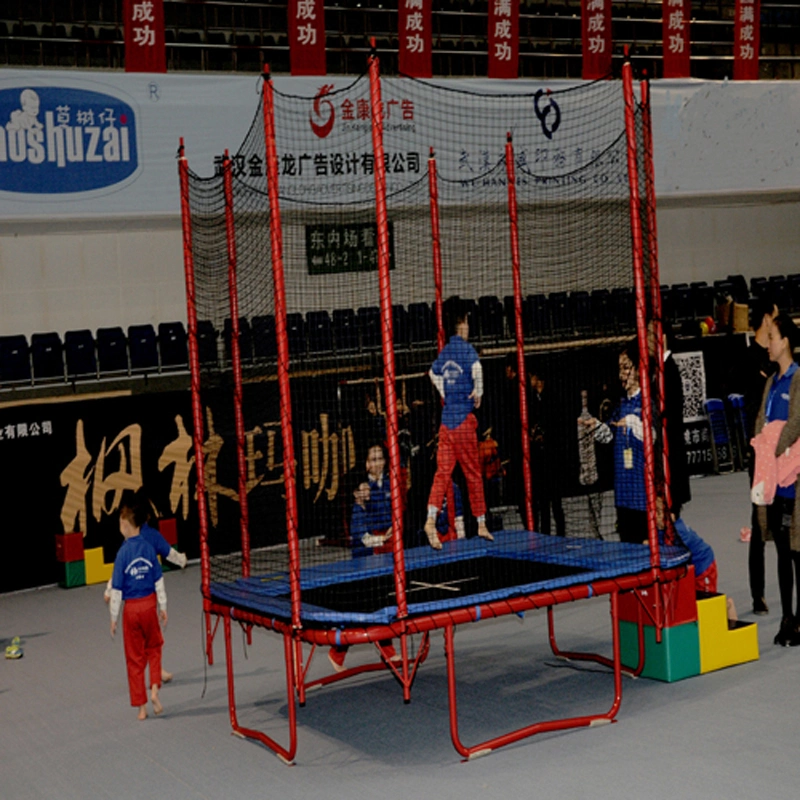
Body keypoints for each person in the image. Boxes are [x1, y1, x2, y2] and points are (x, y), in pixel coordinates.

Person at [424, 304, 493, 550]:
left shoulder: (445, 351)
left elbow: (433, 373)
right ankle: (482, 521)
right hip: (463, 421)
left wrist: (445, 392)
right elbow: (478, 369)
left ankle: (430, 518)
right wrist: (479, 393)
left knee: (442, 473)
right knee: (472, 473)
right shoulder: (466, 349)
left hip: (446, 422)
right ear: (462, 322)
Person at [329, 444, 399, 672]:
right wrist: (383, 538)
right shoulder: (359, 505)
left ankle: (385, 649)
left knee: (381, 603)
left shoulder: (389, 483)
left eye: (381, 458)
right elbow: (364, 538)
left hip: (384, 554)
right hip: (366, 559)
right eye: (373, 459)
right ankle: (336, 652)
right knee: (363, 607)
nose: (378, 463)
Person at [753, 313, 800, 646]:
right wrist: (761, 447)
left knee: (798, 553)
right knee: (783, 552)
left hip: (794, 479)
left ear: (785, 341)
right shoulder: (771, 381)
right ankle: (788, 618)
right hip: (774, 481)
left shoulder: (799, 378)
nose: (767, 343)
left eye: (771, 337)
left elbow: (797, 422)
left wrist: (777, 448)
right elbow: (761, 419)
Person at [104, 494, 186, 683]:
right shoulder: (154, 536)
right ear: (148, 516)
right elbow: (170, 554)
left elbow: (119, 572)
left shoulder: (128, 541)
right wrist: (182, 560)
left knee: (140, 638)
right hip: (149, 596)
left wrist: (109, 590)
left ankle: (155, 673)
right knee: (151, 637)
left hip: (132, 600)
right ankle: (157, 672)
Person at [582, 340, 648, 544]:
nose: (622, 375)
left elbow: (651, 436)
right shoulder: (620, 404)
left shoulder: (647, 402)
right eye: (620, 369)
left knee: (645, 548)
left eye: (626, 368)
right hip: (623, 495)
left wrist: (632, 422)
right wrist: (596, 427)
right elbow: (609, 435)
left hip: (642, 496)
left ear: (639, 369)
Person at [108, 500, 168, 720]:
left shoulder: (122, 554)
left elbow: (116, 590)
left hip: (131, 609)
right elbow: (158, 580)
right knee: (154, 647)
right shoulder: (149, 548)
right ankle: (154, 689)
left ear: (125, 525)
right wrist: (163, 606)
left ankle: (141, 708)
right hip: (149, 604)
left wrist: (114, 618)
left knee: (134, 658)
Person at [744, 297, 779, 615]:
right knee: (759, 523)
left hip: (786, 457)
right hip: (760, 460)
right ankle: (758, 594)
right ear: (766, 320)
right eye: (776, 319)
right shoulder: (747, 360)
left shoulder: (780, 361)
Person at [528, 367, 566, 536]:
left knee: (555, 502)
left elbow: (556, 425)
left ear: (539, 379)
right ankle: (544, 536)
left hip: (553, 458)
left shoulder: (552, 399)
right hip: (540, 460)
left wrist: (545, 436)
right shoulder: (533, 400)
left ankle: (561, 534)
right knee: (543, 502)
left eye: (532, 377)